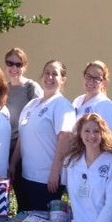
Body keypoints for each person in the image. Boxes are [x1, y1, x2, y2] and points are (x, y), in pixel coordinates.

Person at [10, 60, 75, 211]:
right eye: (47, 73)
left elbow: (64, 138)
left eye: (55, 74)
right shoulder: (31, 105)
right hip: (26, 176)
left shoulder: (61, 105)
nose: (50, 77)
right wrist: (13, 163)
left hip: (46, 180)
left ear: (63, 79)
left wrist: (54, 172)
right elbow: (22, 137)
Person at [4, 48, 43, 208]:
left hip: (23, 150)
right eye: (10, 63)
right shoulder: (1, 87)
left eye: (18, 64)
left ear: (24, 66)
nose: (14, 68)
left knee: (23, 197)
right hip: (4, 149)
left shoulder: (31, 88)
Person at [72, 60, 112, 137]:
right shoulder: (78, 100)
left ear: (104, 82)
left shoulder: (105, 104)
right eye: (88, 76)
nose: (91, 81)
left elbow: (111, 137)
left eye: (97, 79)